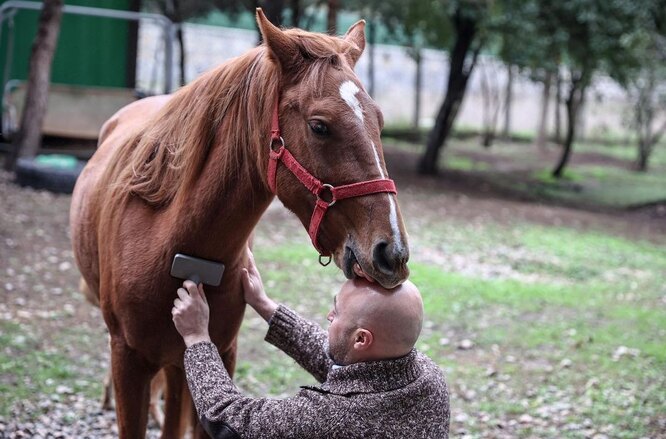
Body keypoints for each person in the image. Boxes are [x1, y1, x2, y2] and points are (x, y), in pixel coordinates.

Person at [172, 249, 450, 438]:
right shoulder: (430, 378)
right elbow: (338, 358)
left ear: (362, 338)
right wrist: (265, 305)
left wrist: (197, 337)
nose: (329, 316)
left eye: (337, 312)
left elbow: (229, 420)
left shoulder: (333, 417)